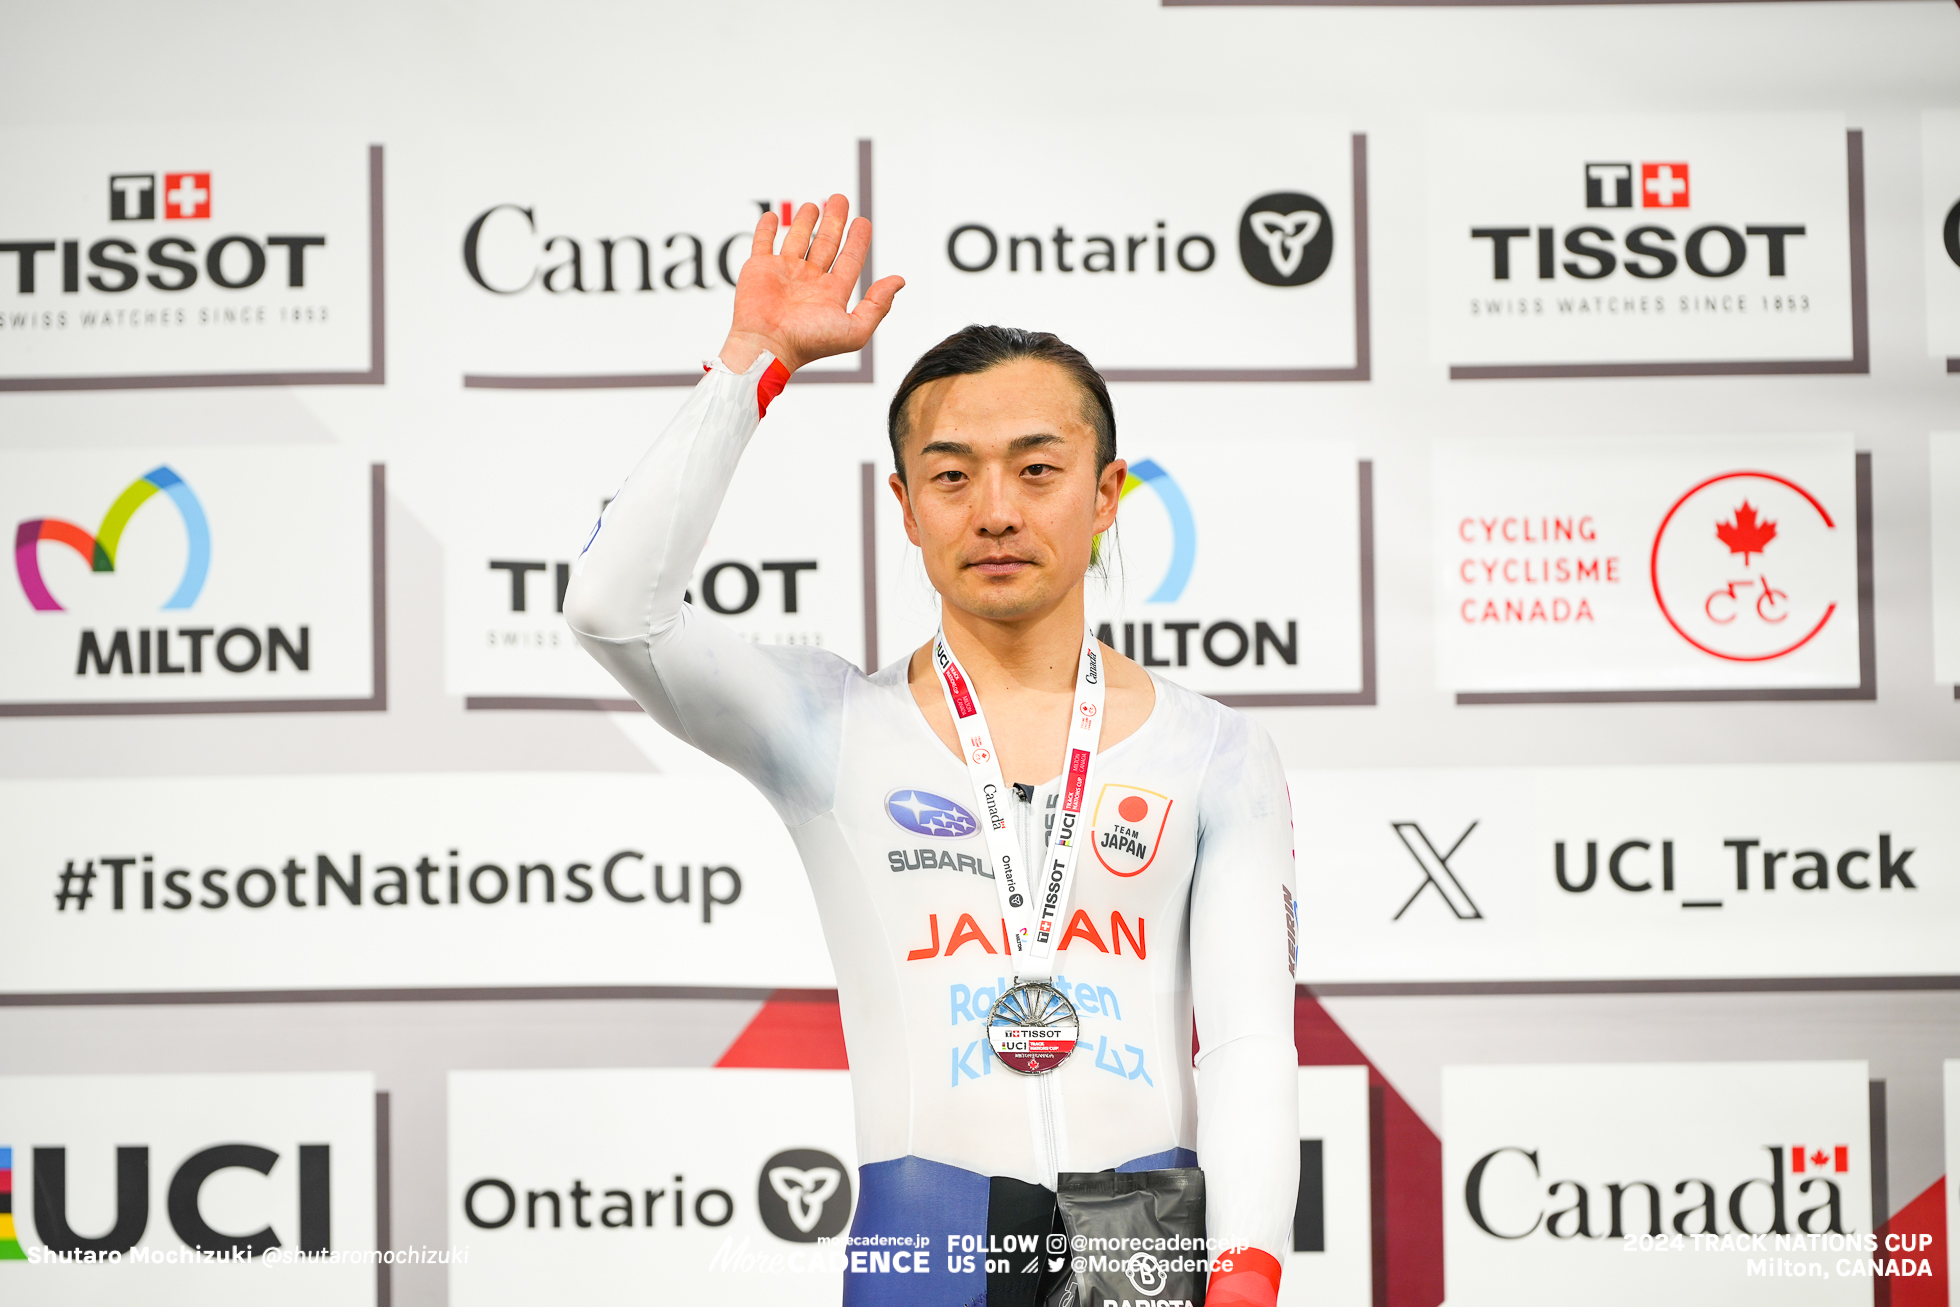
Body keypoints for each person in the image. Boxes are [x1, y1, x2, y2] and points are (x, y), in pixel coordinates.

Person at [565, 194, 1298, 1307]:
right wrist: (751, 361)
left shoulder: (1216, 750)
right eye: (953, 475)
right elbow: (614, 605)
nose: (994, 510)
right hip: (928, 1249)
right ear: (906, 508)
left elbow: (1248, 1043)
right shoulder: (828, 726)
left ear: (1105, 495)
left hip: (1147, 1242)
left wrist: (1246, 1273)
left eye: (1037, 470)